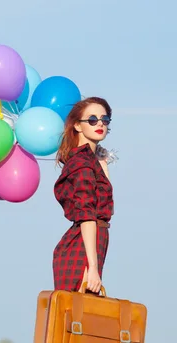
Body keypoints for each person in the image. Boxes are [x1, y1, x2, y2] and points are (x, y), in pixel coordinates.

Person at [53, 96, 114, 294]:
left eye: (104, 120)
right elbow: (87, 215)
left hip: (93, 242)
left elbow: (103, 201)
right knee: (73, 317)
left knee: (81, 317)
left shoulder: (90, 160)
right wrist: (93, 268)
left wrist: (102, 162)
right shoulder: (82, 163)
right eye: (92, 119)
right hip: (82, 246)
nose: (100, 124)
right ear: (78, 126)